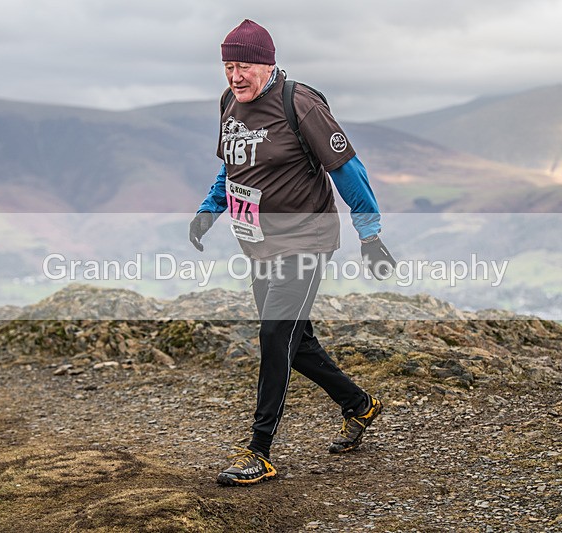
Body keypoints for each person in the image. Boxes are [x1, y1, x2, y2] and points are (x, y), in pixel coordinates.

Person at [189, 19, 397, 486]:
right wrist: (208, 210)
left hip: (305, 240)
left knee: (273, 337)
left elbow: (348, 170)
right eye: (227, 65)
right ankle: (359, 405)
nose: (234, 75)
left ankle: (259, 451)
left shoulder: (298, 103)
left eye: (243, 65)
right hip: (258, 243)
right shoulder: (229, 104)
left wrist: (370, 235)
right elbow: (232, 166)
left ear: (266, 64)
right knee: (294, 341)